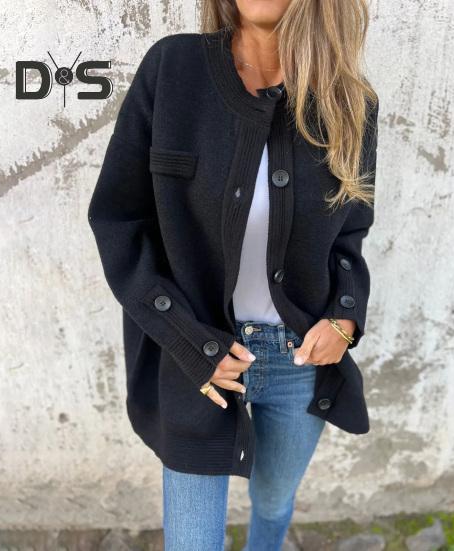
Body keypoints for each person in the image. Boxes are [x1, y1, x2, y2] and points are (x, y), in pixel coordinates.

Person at [87, 0, 379, 549]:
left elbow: (349, 237)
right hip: (198, 363)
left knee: (273, 501)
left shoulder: (350, 103)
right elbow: (119, 222)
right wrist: (188, 341)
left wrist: (343, 319)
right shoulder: (173, 70)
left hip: (299, 361)